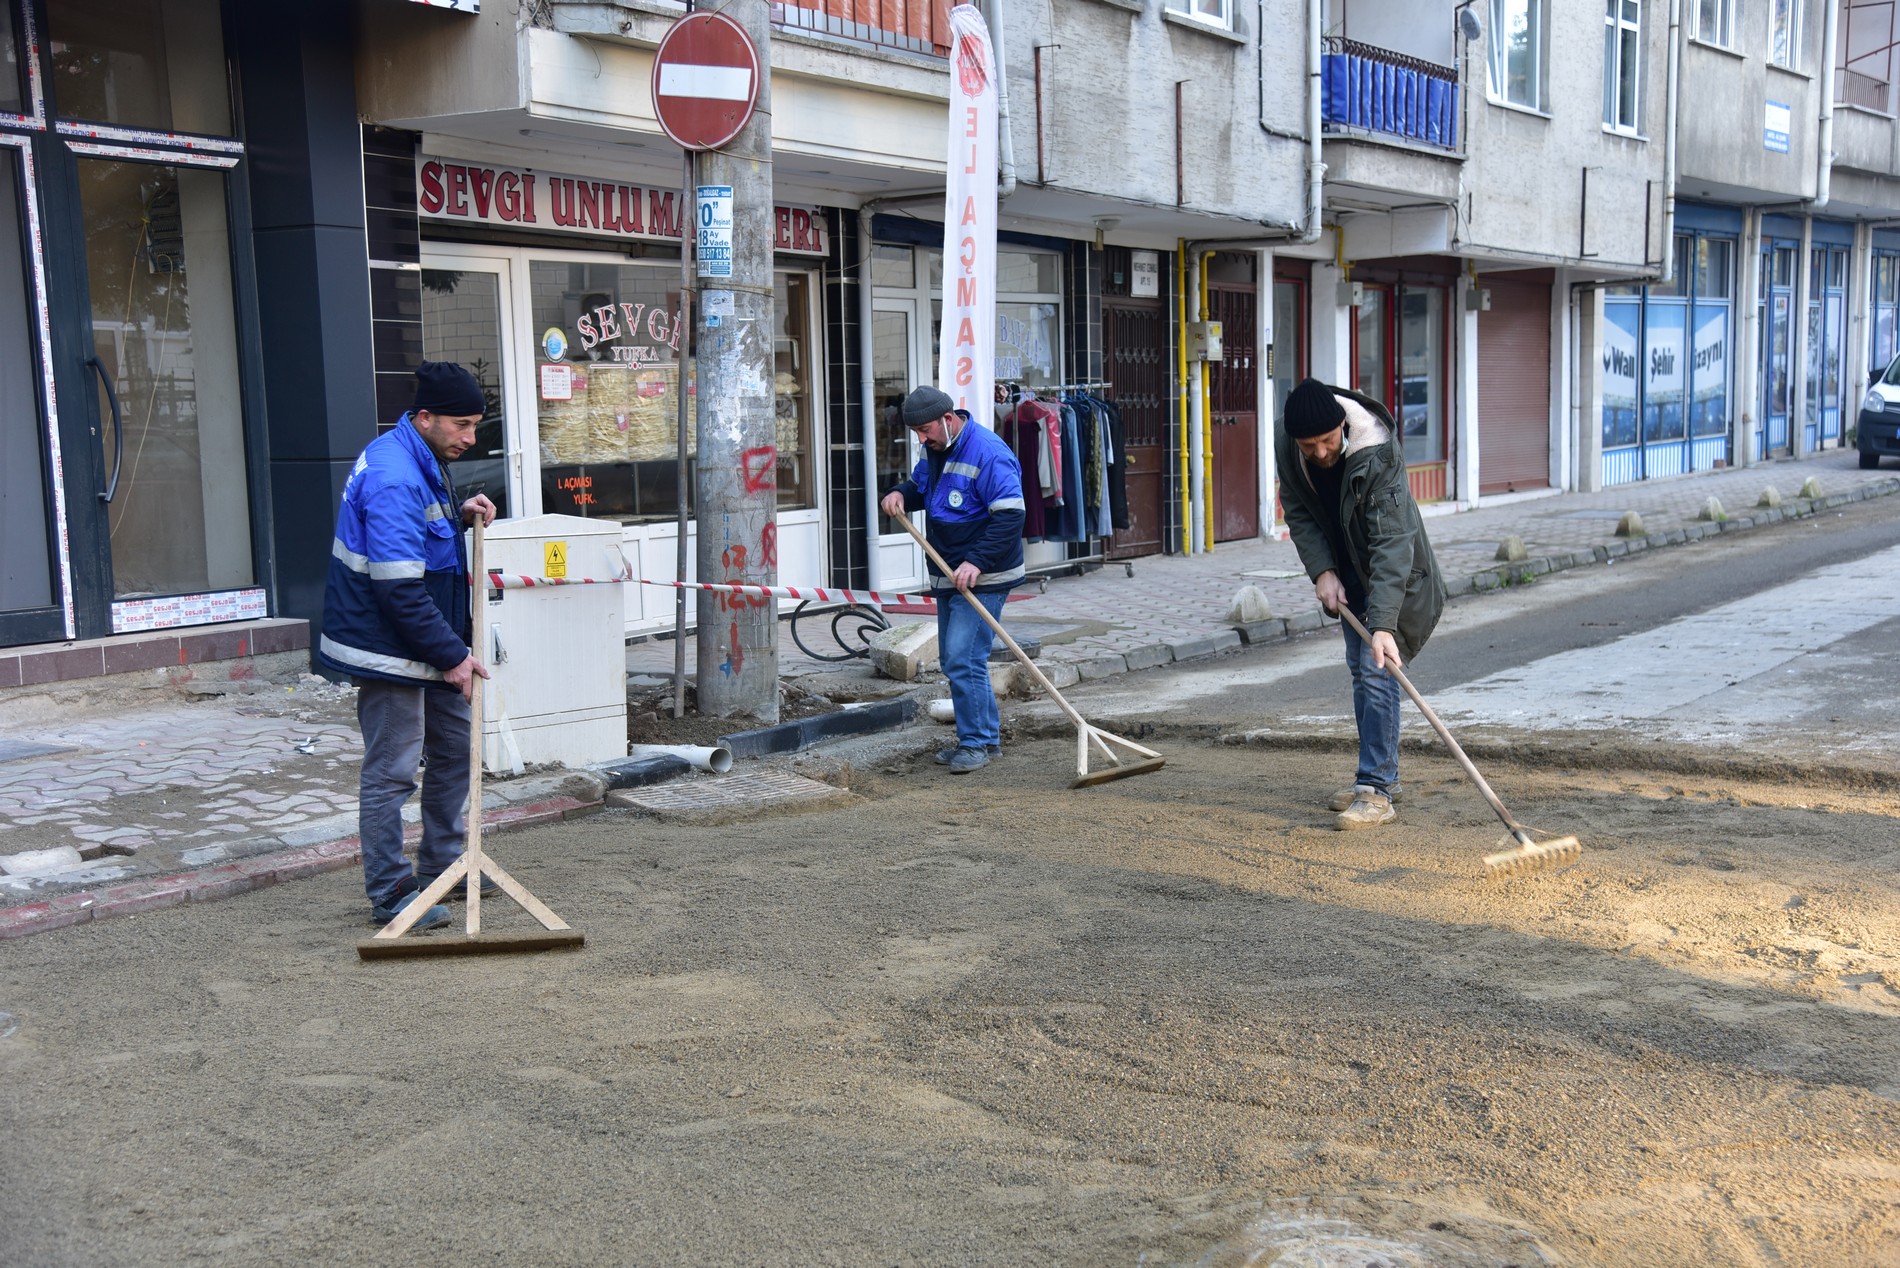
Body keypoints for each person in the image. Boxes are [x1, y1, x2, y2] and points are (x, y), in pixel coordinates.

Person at [319, 361, 498, 928]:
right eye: (462, 425)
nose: (471, 438)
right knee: (393, 769)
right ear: (425, 418)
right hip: (391, 644)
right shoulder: (395, 474)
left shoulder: (417, 454)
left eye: (475, 425)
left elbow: (421, 538)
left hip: (427, 636)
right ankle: (391, 891)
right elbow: (397, 587)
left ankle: (445, 865)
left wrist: (461, 512)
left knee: (453, 751)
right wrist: (452, 656)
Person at [1276, 378, 1446, 830]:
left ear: (1343, 426)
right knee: (1360, 668)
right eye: (1307, 445)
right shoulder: (1287, 440)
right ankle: (1380, 775)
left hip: (1389, 568)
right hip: (1344, 562)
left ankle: (1376, 789)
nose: (1319, 453)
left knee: (1376, 667)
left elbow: (1392, 545)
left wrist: (1386, 624)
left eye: (1327, 441)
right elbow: (1296, 505)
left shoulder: (1378, 452)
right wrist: (1322, 571)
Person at [879, 387, 1026, 773]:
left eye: (925, 430)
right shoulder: (935, 448)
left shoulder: (990, 453)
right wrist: (899, 493)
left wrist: (976, 562)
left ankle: (976, 743)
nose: (921, 439)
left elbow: (1011, 516)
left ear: (948, 419)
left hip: (985, 574)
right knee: (956, 658)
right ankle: (984, 739)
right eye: (916, 434)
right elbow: (923, 489)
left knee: (964, 658)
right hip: (948, 571)